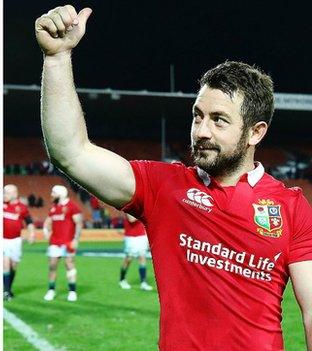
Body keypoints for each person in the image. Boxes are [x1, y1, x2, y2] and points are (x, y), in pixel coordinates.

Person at [36, 5, 312, 350]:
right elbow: (71, 153)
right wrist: (57, 58)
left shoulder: (292, 206)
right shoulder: (162, 186)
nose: (202, 131)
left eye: (219, 120)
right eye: (198, 116)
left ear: (255, 133)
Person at [42, 185, 82, 302]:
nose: (51, 195)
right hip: (54, 242)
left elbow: (79, 223)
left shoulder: (72, 206)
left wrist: (76, 239)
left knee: (69, 265)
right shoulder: (53, 208)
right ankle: (51, 290)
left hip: (68, 242)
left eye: (53, 192)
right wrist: (46, 231)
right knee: (52, 266)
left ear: (61, 194)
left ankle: (72, 291)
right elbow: (47, 223)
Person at [2, 184, 35, 300]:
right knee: (5, 263)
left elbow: (29, 222)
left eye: (6, 193)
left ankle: (8, 289)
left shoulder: (22, 208)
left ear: (14, 194)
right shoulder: (0, 205)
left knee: (13, 266)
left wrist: (32, 234)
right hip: (2, 240)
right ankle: (5, 292)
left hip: (16, 241)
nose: (4, 195)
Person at [118, 213, 153, 291]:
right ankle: (122, 280)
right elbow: (131, 219)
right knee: (129, 259)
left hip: (141, 235)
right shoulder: (129, 206)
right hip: (131, 237)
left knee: (142, 257)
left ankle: (143, 282)